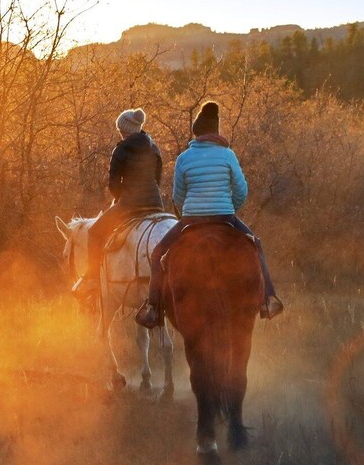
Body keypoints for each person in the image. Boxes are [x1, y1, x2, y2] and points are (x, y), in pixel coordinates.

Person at [135, 102, 284, 329]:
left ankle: (153, 308)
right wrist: (229, 208)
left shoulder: (184, 158)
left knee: (157, 255)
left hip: (192, 219)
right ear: (216, 131)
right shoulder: (228, 155)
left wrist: (190, 212)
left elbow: (178, 195)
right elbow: (242, 190)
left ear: (197, 133)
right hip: (225, 216)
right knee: (256, 245)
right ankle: (268, 300)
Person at [73, 108, 164, 295]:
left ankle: (93, 278)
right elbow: (158, 178)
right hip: (156, 204)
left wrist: (120, 199)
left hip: (130, 205)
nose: (120, 132)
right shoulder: (153, 148)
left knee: (95, 232)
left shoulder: (121, 149)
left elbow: (113, 184)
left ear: (125, 129)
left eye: (120, 129)